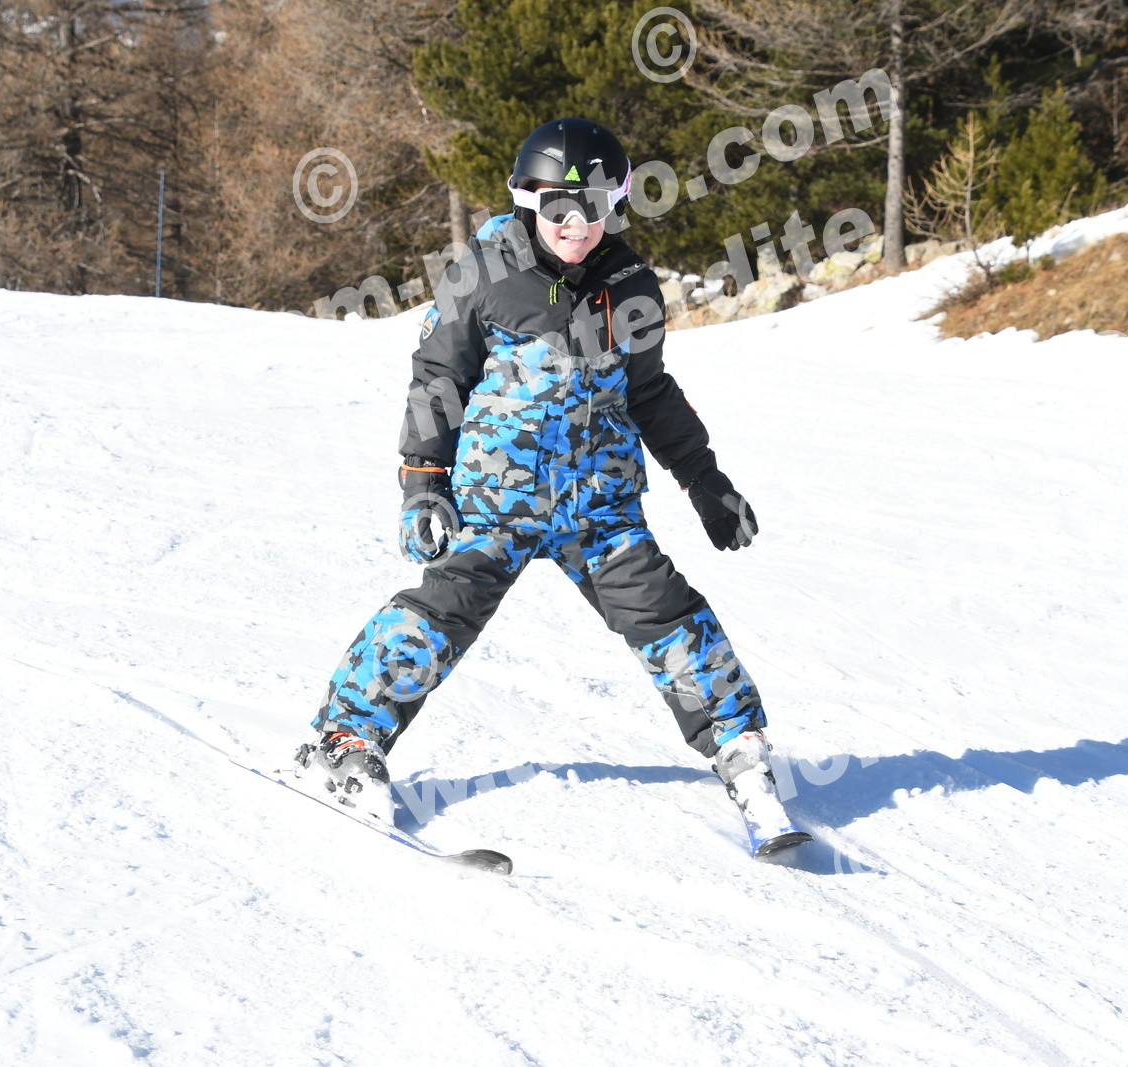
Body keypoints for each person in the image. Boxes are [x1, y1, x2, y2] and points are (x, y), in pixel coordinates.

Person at [295, 117, 802, 851]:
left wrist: (704, 480)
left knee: (667, 614)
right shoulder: (483, 272)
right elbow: (439, 378)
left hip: (599, 507)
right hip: (496, 501)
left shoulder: (630, 284)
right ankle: (345, 741)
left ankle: (740, 749)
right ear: (528, 201)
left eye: (594, 207)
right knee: (441, 613)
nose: (576, 225)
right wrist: (424, 480)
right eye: (559, 207)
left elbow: (650, 392)